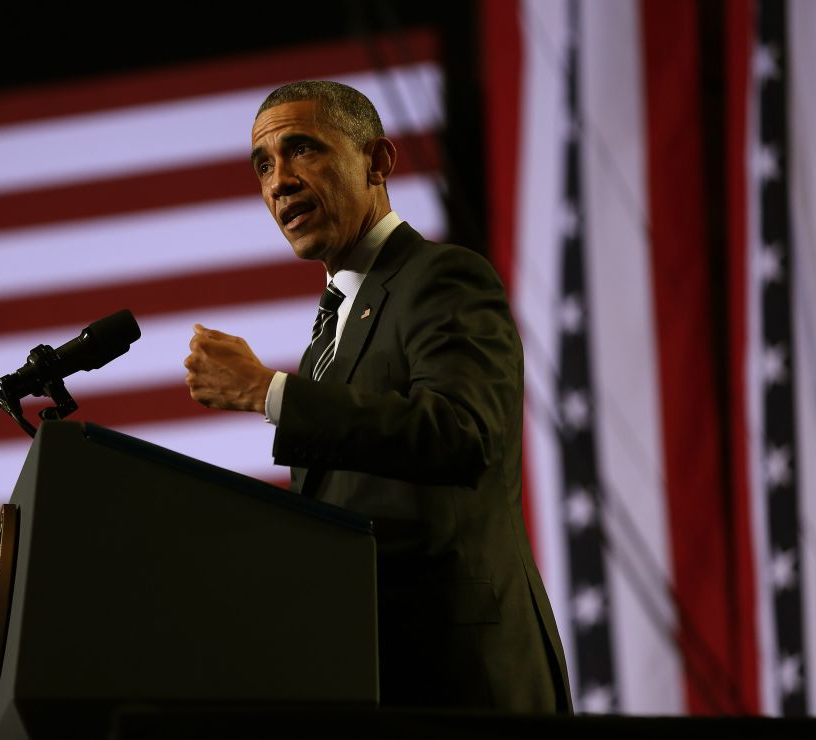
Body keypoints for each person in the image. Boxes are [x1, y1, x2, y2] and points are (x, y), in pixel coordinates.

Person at [183, 80, 572, 713]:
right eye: (263, 163)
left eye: (301, 149)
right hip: (374, 679)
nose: (278, 180)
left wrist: (268, 391)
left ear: (377, 161)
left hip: (464, 680)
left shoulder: (442, 276)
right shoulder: (326, 341)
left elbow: (462, 433)